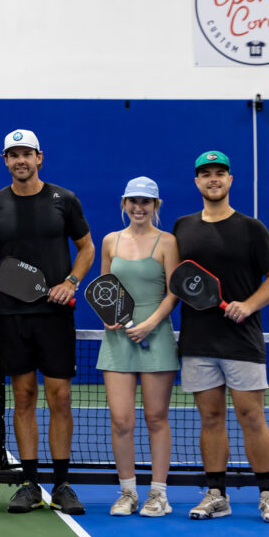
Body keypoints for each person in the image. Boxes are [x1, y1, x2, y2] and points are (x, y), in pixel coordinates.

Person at [0, 129, 95, 515]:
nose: (20, 161)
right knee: (24, 397)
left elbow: (86, 247)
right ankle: (29, 483)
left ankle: (62, 484)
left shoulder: (65, 200)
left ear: (40, 157)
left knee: (60, 398)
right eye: (13, 155)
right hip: (14, 316)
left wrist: (71, 282)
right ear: (5, 160)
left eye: (26, 153)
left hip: (56, 316)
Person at [173, 151, 269, 523]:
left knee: (251, 416)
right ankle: (215, 493)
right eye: (205, 174)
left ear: (230, 180)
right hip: (198, 341)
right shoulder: (182, 227)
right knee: (210, 417)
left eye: (219, 173)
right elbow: (175, 280)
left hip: (242, 341)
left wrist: (249, 305)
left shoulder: (252, 228)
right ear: (196, 182)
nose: (213, 179)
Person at [95, 177, 179, 518]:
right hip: (118, 340)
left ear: (155, 206)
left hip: (155, 335)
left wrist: (149, 324)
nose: (139, 207)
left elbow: (175, 291)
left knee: (156, 418)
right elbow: (104, 288)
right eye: (133, 201)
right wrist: (107, 318)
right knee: (121, 420)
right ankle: (127, 492)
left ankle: (158, 494)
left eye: (146, 202)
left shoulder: (168, 242)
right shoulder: (110, 241)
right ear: (124, 204)